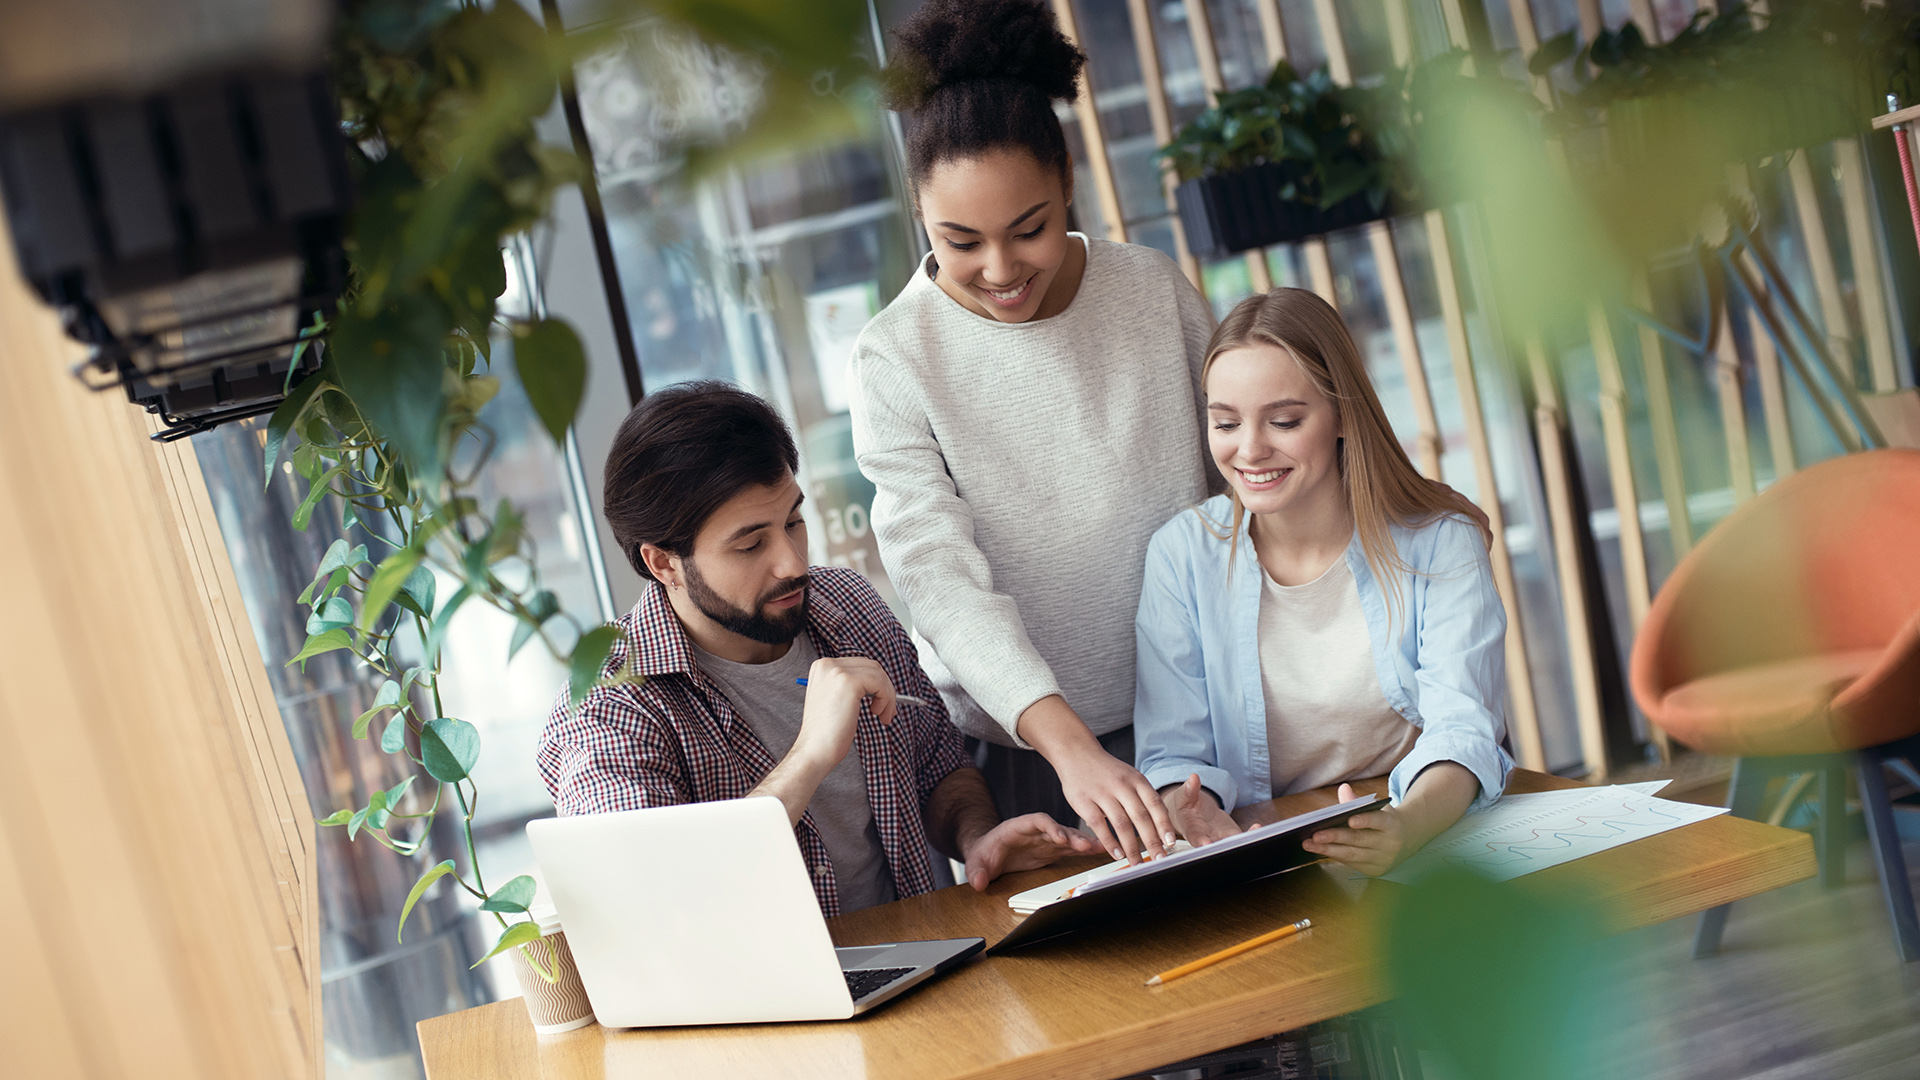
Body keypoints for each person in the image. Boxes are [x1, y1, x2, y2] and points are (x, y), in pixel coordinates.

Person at [849, 0, 1214, 866]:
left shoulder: (1153, 292)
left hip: (1202, 730)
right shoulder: (894, 356)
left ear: (1068, 189)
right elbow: (937, 580)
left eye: (1031, 229)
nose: (1001, 270)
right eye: (960, 241)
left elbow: (1237, 487)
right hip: (1026, 761)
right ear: (919, 212)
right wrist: (1071, 747)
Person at [537, 382, 1099, 916]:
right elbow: (646, 901)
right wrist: (810, 757)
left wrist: (978, 839)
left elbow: (939, 768)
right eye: (751, 544)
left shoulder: (846, 604)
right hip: (762, 1009)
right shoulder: (609, 703)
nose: (792, 563)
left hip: (930, 961)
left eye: (795, 522)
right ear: (664, 563)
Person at [1133, 289, 1512, 876]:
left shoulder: (1442, 539)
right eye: (1226, 422)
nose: (1250, 449)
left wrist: (1405, 827)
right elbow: (1174, 753)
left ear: (1342, 414)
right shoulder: (1182, 554)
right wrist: (1193, 810)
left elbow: (1462, 729)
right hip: (1268, 854)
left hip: (1426, 831)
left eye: (1284, 421)